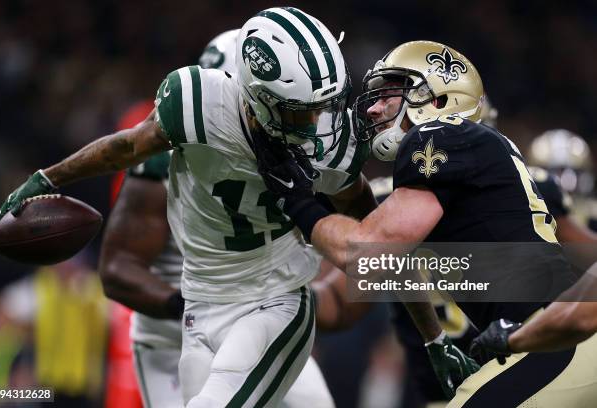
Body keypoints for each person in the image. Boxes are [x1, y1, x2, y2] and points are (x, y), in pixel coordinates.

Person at [0, 8, 376, 407]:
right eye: (298, 110)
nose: (314, 123)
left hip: (258, 302)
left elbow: (369, 261)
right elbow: (118, 268)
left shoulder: (322, 150)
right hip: (177, 323)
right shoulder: (184, 131)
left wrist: (423, 300)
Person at [255, 40, 597, 407]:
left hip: (556, 341)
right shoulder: (454, 170)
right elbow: (390, 262)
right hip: (541, 339)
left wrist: (298, 201)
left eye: (389, 94)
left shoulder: (440, 134)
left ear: (436, 99)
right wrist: (435, 339)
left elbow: (364, 252)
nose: (373, 109)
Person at [99, 29, 335, 408]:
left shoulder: (287, 149)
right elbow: (115, 268)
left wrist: (298, 301)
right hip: (174, 327)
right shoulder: (163, 156)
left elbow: (333, 259)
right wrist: (186, 304)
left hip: (254, 309)